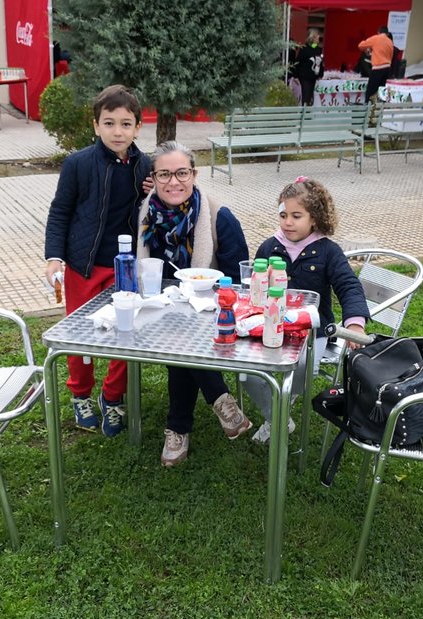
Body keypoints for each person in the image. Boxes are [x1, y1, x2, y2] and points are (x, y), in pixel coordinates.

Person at [44, 84, 152, 437]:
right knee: (81, 336)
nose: (117, 132)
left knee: (126, 333)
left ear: (137, 127)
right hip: (83, 266)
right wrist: (54, 257)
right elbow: (60, 212)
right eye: (109, 123)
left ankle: (113, 396)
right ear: (96, 125)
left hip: (125, 267)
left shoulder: (145, 167)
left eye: (125, 124)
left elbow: (154, 210)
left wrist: (153, 191)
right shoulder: (77, 164)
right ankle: (80, 395)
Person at [136, 141, 252, 467]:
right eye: (164, 174)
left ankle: (177, 428)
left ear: (194, 174)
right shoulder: (145, 215)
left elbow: (237, 282)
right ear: (154, 178)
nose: (174, 182)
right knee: (177, 332)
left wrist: (207, 301)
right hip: (161, 311)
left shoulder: (219, 217)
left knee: (181, 340)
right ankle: (221, 399)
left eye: (182, 173)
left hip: (213, 314)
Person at [243, 177, 370, 444]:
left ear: (315, 218)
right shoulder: (269, 247)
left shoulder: (328, 251)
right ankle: (278, 418)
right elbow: (254, 288)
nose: (288, 222)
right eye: (283, 215)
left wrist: (355, 323)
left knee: (301, 371)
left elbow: (349, 286)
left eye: (296, 216)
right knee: (247, 374)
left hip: (313, 332)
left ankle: (276, 412)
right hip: (270, 325)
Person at [358, 26, 394, 103]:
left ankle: (368, 106)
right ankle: (377, 107)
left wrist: (368, 50)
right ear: (387, 34)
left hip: (378, 68)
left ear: (378, 32)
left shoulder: (376, 38)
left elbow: (361, 45)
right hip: (387, 68)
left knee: (371, 90)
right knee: (380, 90)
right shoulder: (390, 42)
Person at [293, 30, 324, 106]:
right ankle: (305, 111)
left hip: (314, 77)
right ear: (313, 37)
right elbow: (298, 62)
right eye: (317, 36)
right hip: (305, 77)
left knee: (311, 98)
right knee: (306, 97)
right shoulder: (304, 49)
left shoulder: (318, 49)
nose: (319, 37)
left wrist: (320, 74)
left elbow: (321, 63)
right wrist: (295, 76)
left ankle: (308, 111)